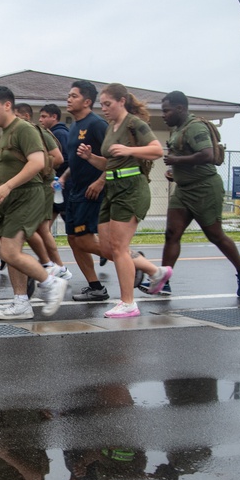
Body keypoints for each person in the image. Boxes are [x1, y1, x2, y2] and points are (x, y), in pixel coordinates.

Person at [77, 83, 172, 318]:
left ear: (122, 101)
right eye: (102, 105)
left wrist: (130, 151)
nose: (104, 108)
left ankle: (128, 303)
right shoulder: (112, 127)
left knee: (119, 247)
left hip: (131, 189)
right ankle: (155, 272)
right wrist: (91, 158)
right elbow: (111, 163)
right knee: (108, 247)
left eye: (108, 104)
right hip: (112, 187)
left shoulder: (134, 123)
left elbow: (157, 150)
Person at [0, 86, 67, 320]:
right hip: (11, 197)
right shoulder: (4, 134)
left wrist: (7, 187)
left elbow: (38, 162)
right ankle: (21, 303)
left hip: (28, 195)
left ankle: (51, 282)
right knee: (10, 252)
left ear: (7, 105)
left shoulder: (24, 129)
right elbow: (2, 172)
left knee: (9, 250)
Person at [159, 90, 240, 297]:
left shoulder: (195, 127)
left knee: (215, 235)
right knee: (171, 234)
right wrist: (175, 173)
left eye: (166, 111)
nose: (164, 115)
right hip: (184, 190)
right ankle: (163, 281)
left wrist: (176, 161)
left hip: (204, 188)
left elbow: (207, 154)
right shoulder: (178, 129)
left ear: (180, 108)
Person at [60, 81, 110, 301]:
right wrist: (64, 177)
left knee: (85, 240)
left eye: (74, 96)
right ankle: (96, 287)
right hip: (74, 192)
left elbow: (116, 159)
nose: (68, 99)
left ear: (87, 101)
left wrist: (100, 181)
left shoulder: (97, 125)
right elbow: (76, 160)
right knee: (73, 238)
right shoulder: (74, 127)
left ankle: (135, 262)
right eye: (68, 95)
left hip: (92, 192)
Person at [15, 102, 70, 283]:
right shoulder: (18, 134)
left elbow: (59, 158)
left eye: (16, 116)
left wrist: (36, 168)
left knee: (39, 228)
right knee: (38, 228)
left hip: (44, 185)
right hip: (34, 185)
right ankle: (52, 265)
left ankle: (56, 266)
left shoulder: (38, 132)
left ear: (25, 116)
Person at [39, 103, 70, 220]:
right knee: (45, 223)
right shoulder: (51, 133)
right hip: (55, 184)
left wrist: (47, 167)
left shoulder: (59, 134)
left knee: (69, 222)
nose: (40, 119)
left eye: (44, 116)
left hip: (62, 184)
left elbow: (65, 159)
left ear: (54, 117)